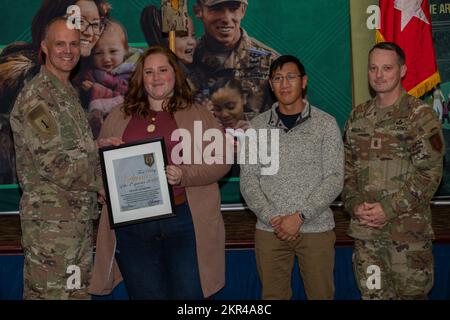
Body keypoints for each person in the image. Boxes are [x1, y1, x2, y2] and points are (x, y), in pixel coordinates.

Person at [89, 46, 231, 299]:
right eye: (149, 72)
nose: (156, 78)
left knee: (189, 296)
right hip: (133, 226)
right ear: (140, 78)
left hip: (185, 221)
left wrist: (184, 175)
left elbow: (222, 161)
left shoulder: (198, 114)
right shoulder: (119, 116)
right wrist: (103, 185)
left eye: (163, 70)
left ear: (175, 74)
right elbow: (99, 161)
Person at [342, 42, 445, 300]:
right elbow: (346, 170)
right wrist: (354, 204)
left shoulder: (420, 116)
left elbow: (430, 174)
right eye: (373, 68)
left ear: (402, 70)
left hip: (407, 237)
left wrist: (387, 209)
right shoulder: (357, 117)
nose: (379, 75)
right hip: (367, 236)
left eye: (387, 68)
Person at [9, 17, 101, 299]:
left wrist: (100, 149)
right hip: (52, 230)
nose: (68, 50)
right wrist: (105, 182)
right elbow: (55, 165)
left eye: (74, 44)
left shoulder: (66, 93)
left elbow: (74, 152)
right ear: (44, 47)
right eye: (59, 44)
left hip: (75, 224)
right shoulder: (38, 98)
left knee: (74, 295)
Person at [240, 55, 344, 300]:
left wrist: (300, 216)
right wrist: (272, 218)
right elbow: (248, 180)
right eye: (277, 78)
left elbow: (334, 178)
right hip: (270, 230)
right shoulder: (256, 126)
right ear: (270, 84)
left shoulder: (326, 124)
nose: (284, 84)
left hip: (315, 227)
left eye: (290, 77)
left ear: (304, 81)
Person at [0, 0, 110, 184]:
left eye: (95, 24)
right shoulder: (29, 74)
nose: (89, 32)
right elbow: (50, 152)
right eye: (77, 20)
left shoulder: (76, 78)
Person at [192, 0, 279, 114]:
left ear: (243, 10)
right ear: (198, 11)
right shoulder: (186, 60)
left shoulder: (271, 64)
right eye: (217, 9)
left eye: (233, 9)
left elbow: (294, 126)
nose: (226, 19)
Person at [80, 19, 139, 138]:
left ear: (126, 50)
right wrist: (86, 91)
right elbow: (84, 102)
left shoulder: (135, 71)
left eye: (113, 51)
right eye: (98, 53)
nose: (106, 58)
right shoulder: (91, 74)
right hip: (103, 130)